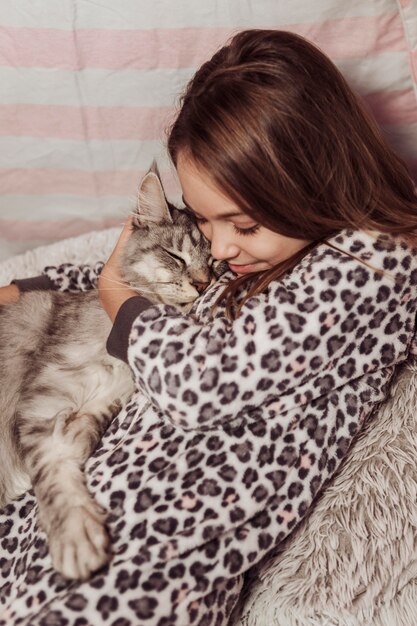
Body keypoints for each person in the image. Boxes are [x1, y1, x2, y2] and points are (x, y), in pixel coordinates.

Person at [1, 28, 417, 626]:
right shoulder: (259, 252)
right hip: (67, 499)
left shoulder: (374, 260)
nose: (219, 247)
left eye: (241, 225)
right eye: (203, 218)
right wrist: (24, 288)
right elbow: (132, 264)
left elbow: (206, 383)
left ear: (316, 181)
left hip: (162, 547)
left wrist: (118, 297)